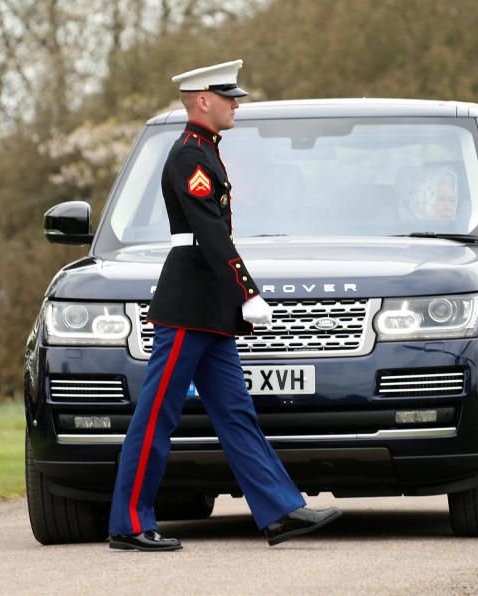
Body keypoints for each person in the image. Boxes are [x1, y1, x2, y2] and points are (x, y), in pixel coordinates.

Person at [107, 59, 341, 551]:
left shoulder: (206, 152)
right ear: (202, 101)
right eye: (229, 96)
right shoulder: (190, 156)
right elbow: (209, 234)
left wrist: (233, 298)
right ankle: (129, 522)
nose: (238, 103)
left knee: (236, 413)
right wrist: (248, 291)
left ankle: (279, 511)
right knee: (157, 415)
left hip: (208, 307)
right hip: (190, 303)